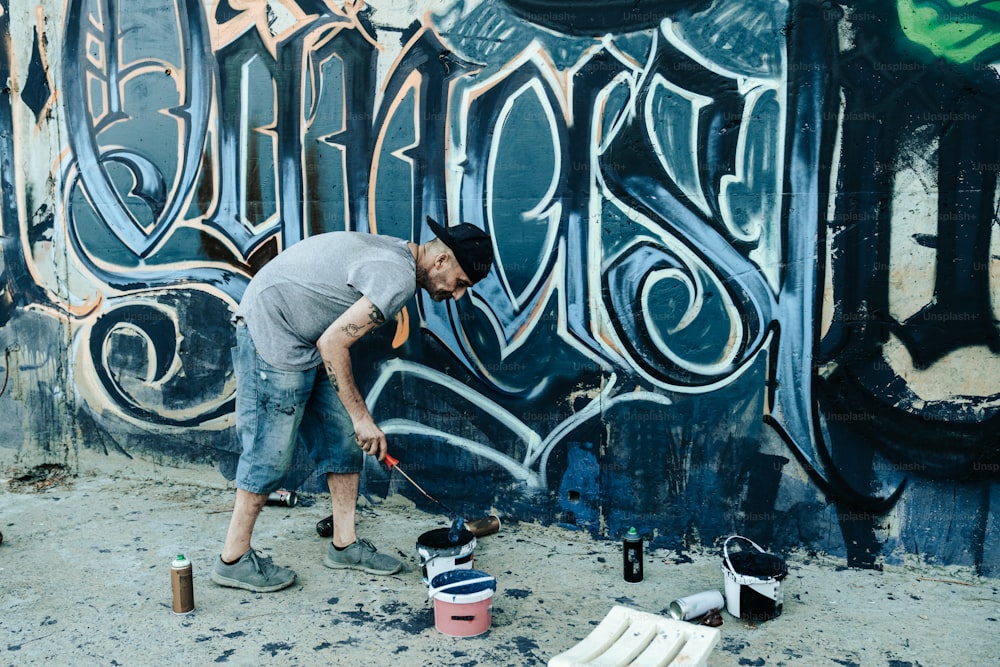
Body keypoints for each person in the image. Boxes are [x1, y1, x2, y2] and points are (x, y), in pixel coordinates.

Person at [211, 217, 494, 592]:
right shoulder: (398, 278)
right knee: (269, 452)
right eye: (460, 284)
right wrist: (363, 417)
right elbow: (334, 344)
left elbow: (329, 339)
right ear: (441, 261)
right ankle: (232, 558)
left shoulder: (400, 254)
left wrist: (356, 421)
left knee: (341, 440)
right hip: (272, 330)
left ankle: (344, 544)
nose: (457, 295)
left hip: (307, 338)